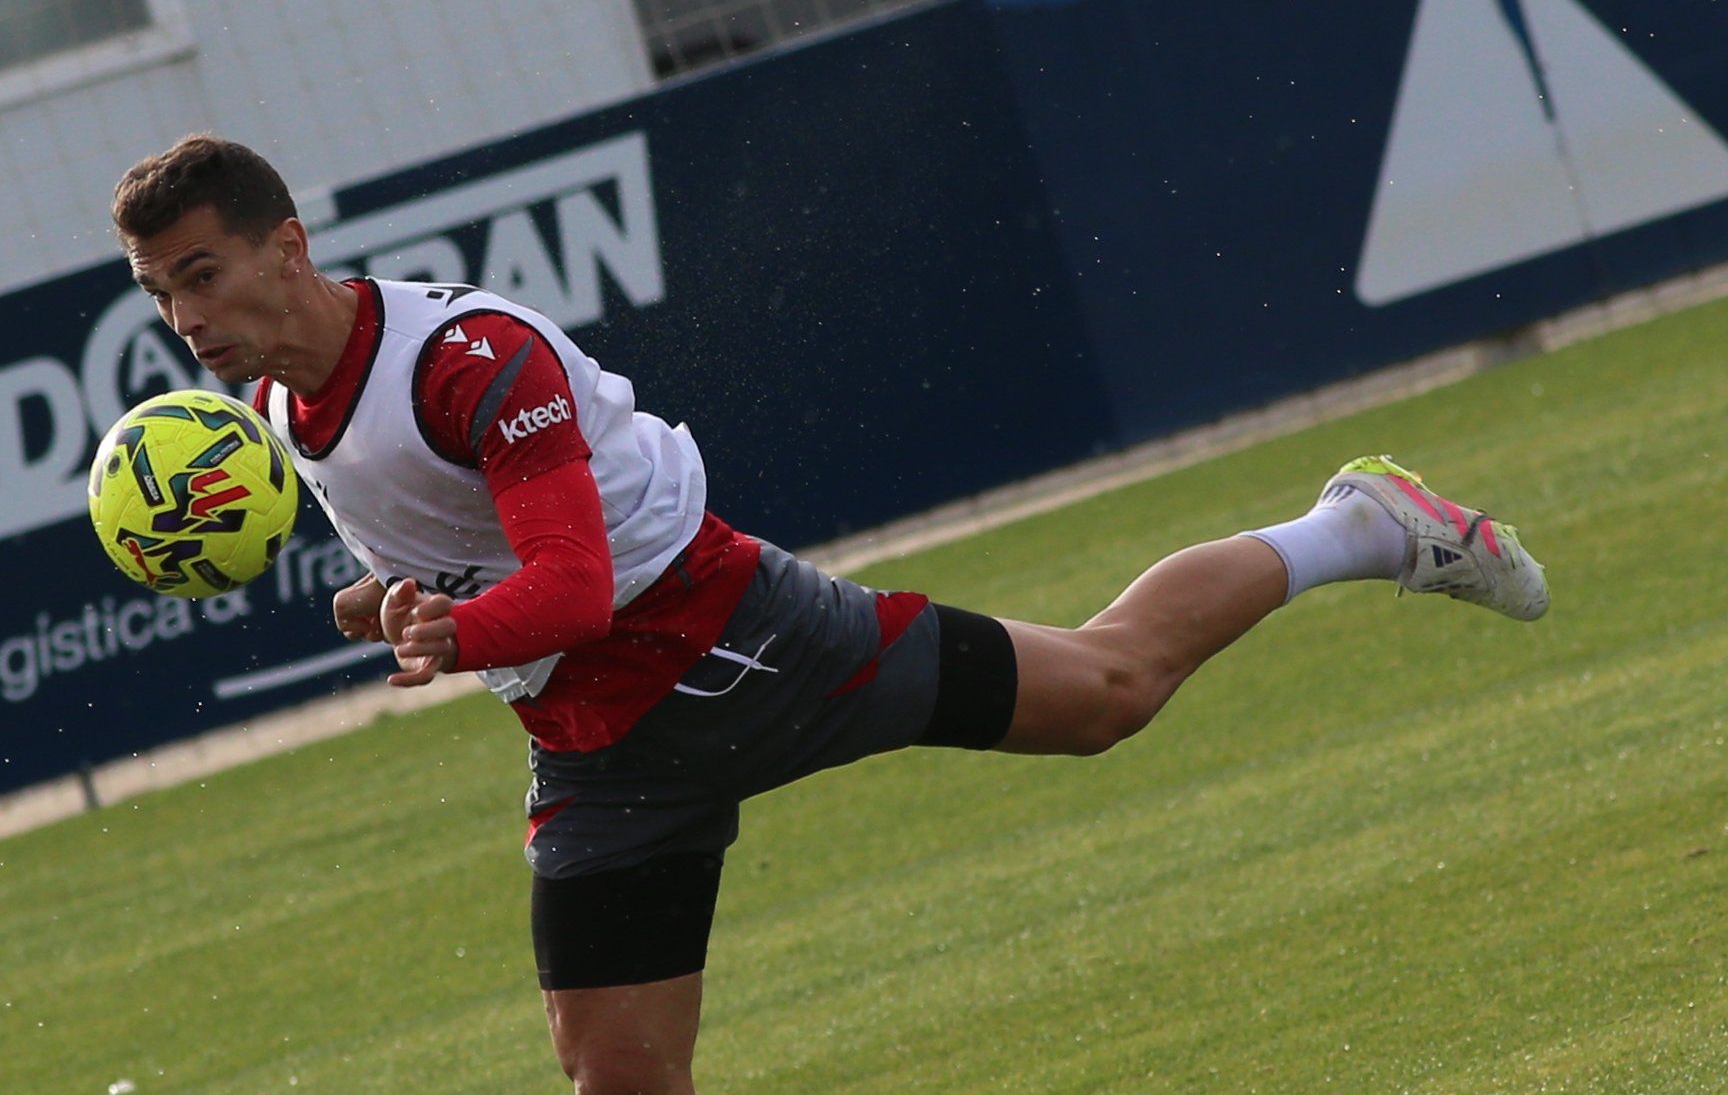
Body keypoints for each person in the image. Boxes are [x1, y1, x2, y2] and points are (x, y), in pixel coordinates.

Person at [112, 134, 1548, 1094]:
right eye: (159, 290)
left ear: (287, 246)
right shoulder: (280, 405)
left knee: (1108, 692)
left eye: (203, 272)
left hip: (734, 639)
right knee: (617, 1072)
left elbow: (577, 582)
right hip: (597, 738)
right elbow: (485, 575)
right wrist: (397, 602)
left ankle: (1361, 524)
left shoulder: (470, 359)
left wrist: (446, 633)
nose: (186, 314)